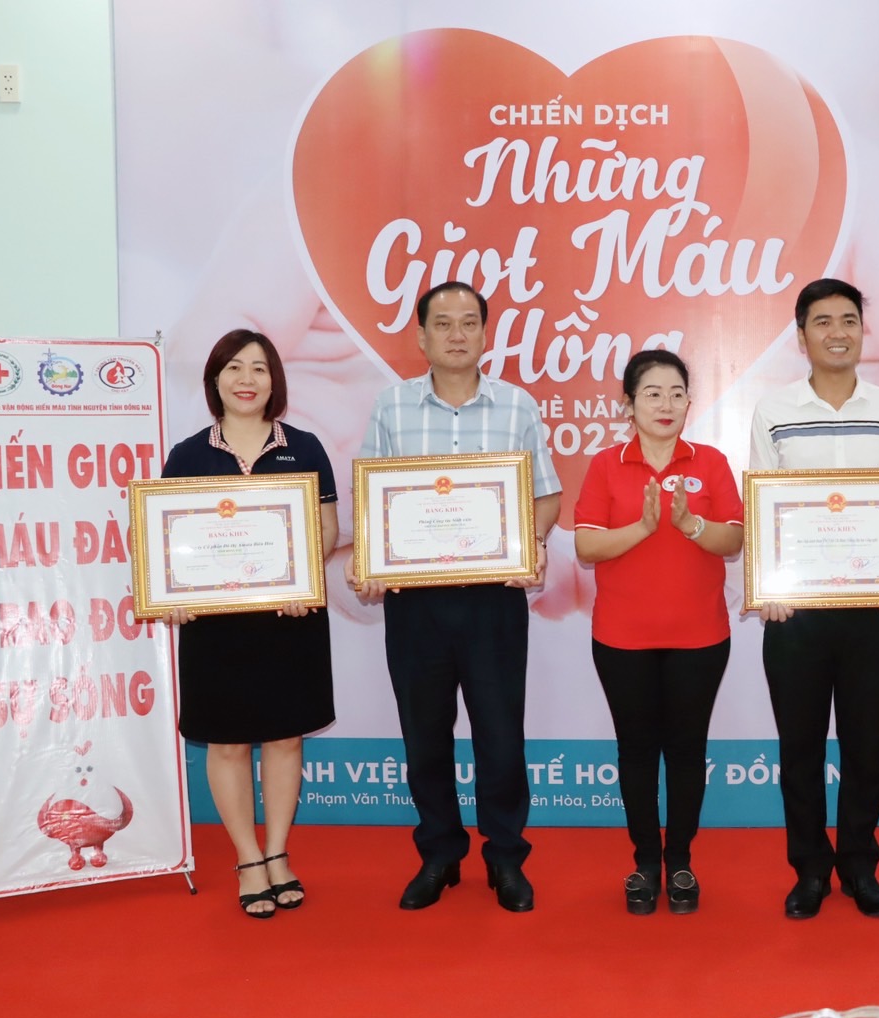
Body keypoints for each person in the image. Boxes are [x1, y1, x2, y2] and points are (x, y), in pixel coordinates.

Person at [346, 281, 561, 912]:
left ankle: (505, 857)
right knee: (424, 737)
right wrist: (372, 561)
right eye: (443, 323)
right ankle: (439, 853)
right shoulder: (391, 405)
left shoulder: (517, 405)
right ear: (421, 336)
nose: (457, 334)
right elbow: (370, 499)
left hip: (494, 601)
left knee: (501, 736)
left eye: (469, 322)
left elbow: (546, 495)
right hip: (416, 605)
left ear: (486, 334)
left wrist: (531, 543)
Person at [748, 279, 879, 920]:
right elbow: (761, 501)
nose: (837, 332)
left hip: (874, 613)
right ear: (801, 337)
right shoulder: (773, 411)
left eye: (849, 319)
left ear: (862, 331)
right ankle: (810, 872)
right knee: (799, 751)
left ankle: (860, 868)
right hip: (795, 615)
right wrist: (768, 586)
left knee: (864, 751)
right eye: (822, 322)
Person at [160, 329, 338, 918]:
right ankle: (248, 858)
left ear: (274, 381)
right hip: (217, 627)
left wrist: (302, 581)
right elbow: (163, 539)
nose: (246, 379)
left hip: (289, 620)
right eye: (234, 367)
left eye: (259, 368)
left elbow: (327, 530)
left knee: (286, 738)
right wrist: (172, 593)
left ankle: (278, 852)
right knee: (229, 743)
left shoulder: (304, 448)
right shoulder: (188, 455)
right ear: (214, 379)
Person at [573, 349, 744, 915]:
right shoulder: (606, 465)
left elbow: (733, 539)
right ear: (628, 404)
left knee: (688, 750)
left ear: (690, 402)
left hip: (700, 636)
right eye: (652, 393)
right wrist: (644, 528)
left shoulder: (711, 463)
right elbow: (587, 545)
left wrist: (690, 524)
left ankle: (682, 861)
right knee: (638, 751)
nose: (665, 404)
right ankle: (646, 862)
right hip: (622, 638)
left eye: (676, 393)